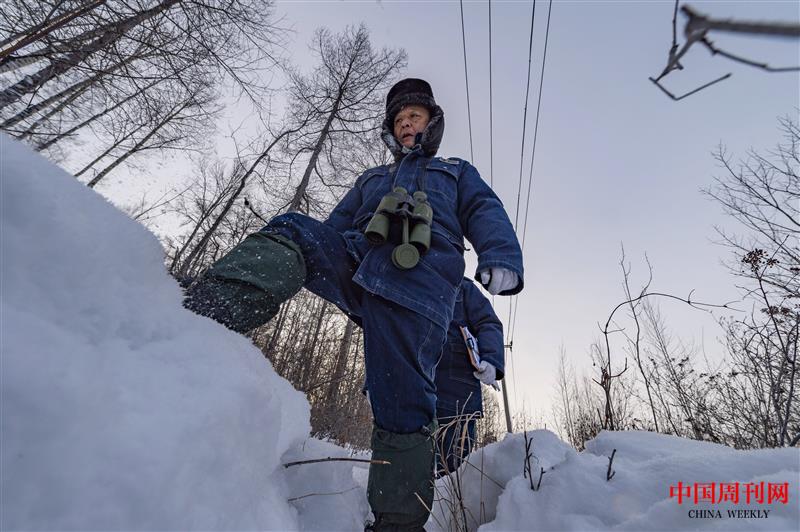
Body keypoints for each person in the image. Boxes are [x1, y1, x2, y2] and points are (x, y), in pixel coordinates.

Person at [183, 78, 523, 531]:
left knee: (402, 405)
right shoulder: (372, 179)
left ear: (432, 123)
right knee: (296, 231)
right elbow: (335, 225)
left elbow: (483, 208)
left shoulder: (456, 171)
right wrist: (320, 253)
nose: (406, 124)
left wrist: (500, 255)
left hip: (421, 286)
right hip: (363, 263)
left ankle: (398, 523)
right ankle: (204, 311)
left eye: (415, 116)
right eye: (399, 120)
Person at [435, 277, 504, 477]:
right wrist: (374, 381)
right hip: (408, 391)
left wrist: (491, 359)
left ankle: (452, 497)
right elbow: (387, 328)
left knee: (452, 472)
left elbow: (488, 322)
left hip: (456, 398)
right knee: (407, 467)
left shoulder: (463, 288)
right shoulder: (404, 279)